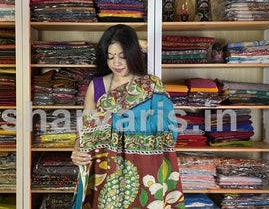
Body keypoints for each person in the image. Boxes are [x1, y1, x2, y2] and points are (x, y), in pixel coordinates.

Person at [71, 24, 184, 209]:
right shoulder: (96, 86)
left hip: (145, 172)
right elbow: (85, 130)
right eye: (110, 57)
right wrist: (77, 149)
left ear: (133, 54)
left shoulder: (152, 86)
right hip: (104, 173)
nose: (117, 63)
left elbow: (169, 127)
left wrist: (113, 122)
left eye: (122, 56)